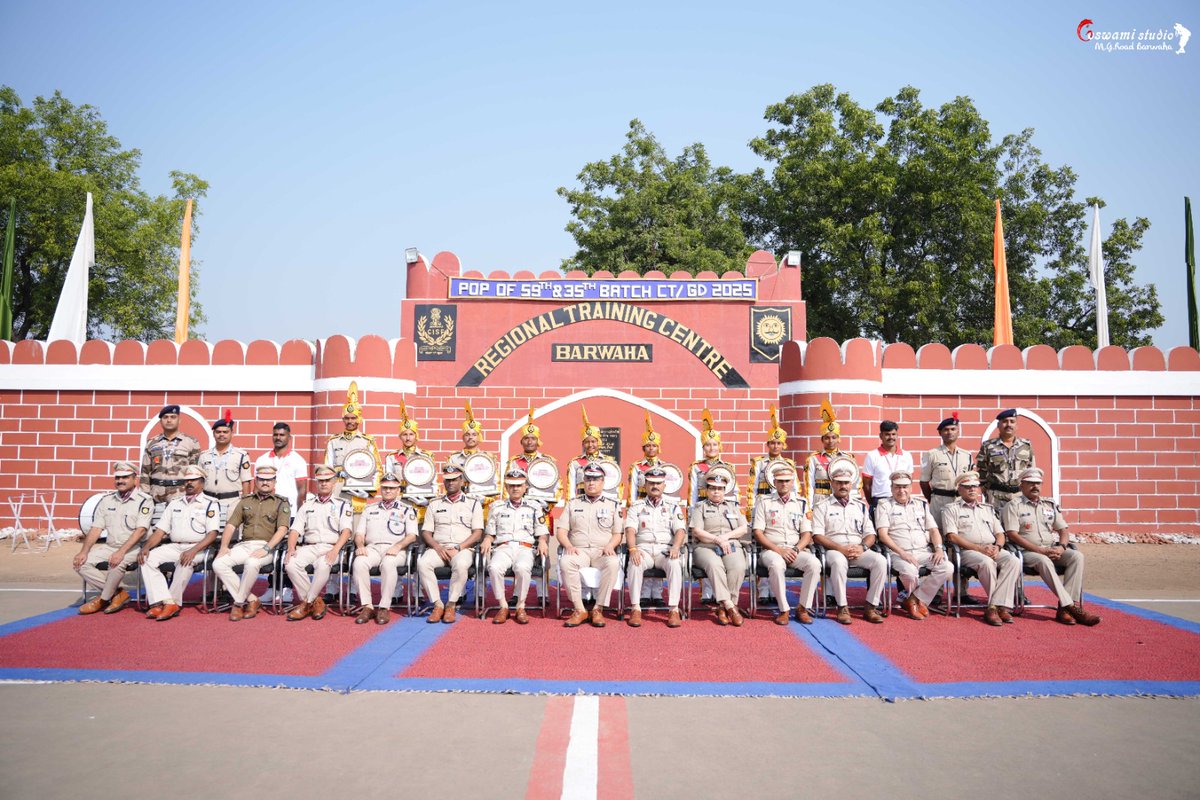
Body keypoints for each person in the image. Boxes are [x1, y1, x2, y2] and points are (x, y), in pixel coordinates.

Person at [1002, 468, 1100, 626]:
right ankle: (1072, 607)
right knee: (1043, 560)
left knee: (1076, 556)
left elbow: (1063, 529)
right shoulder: (1014, 506)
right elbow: (1012, 534)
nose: (1035, 486)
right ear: (1022, 486)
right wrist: (1040, 550)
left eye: (1038, 483)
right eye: (1030, 483)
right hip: (1027, 553)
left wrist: (1061, 547)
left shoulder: (1049, 504)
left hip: (1051, 548)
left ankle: (1064, 608)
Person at [138, 465, 220, 621]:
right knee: (147, 559)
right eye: (187, 481)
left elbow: (212, 534)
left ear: (202, 482)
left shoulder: (210, 504)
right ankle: (161, 602)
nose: (189, 483)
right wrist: (147, 547)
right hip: (175, 546)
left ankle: (172, 603)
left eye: (193, 480)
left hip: (198, 547)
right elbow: (160, 531)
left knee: (185, 561)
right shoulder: (175, 503)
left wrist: (193, 550)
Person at [212, 465, 292, 621]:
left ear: (275, 482)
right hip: (244, 545)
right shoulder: (246, 501)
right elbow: (231, 525)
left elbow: (282, 529)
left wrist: (266, 548)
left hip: (267, 547)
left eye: (269, 480)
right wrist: (223, 547)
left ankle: (238, 603)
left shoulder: (281, 503)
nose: (265, 483)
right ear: (256, 481)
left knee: (252, 563)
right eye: (262, 479)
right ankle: (252, 600)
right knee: (218, 563)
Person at [74, 462, 153, 615]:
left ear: (134, 479)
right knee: (80, 563)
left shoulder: (144, 501)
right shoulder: (107, 500)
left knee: (116, 564)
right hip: (110, 546)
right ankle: (117, 594)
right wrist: (83, 551)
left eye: (125, 477)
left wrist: (121, 552)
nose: (120, 481)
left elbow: (141, 530)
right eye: (117, 478)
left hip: (133, 547)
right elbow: (96, 528)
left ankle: (102, 599)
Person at [942, 471, 1019, 627]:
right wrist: (979, 548)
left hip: (992, 548)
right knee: (986, 562)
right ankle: (998, 606)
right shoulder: (951, 509)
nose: (972, 490)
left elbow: (1000, 533)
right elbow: (952, 536)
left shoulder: (988, 509)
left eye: (975, 487)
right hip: (967, 551)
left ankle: (995, 606)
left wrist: (998, 547)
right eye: (968, 487)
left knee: (1014, 560)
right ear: (960, 489)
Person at [812, 466, 887, 624]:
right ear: (832, 483)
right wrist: (840, 549)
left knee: (880, 561)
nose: (843, 486)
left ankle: (870, 606)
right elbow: (817, 535)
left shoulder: (860, 506)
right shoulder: (822, 506)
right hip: (834, 549)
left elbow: (870, 534)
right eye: (839, 482)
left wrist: (863, 547)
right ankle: (842, 607)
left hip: (857, 549)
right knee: (839, 562)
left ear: (851, 484)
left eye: (846, 482)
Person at [874, 470, 952, 620]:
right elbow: (883, 535)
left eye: (905, 487)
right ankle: (915, 601)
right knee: (910, 572)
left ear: (911, 488)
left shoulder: (921, 504)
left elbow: (934, 530)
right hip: (897, 553)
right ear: (891, 488)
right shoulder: (884, 505)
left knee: (947, 567)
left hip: (923, 551)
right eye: (897, 487)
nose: (901, 490)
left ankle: (914, 599)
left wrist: (939, 549)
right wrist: (902, 553)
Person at [751, 466, 820, 625]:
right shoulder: (764, 502)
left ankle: (803, 608)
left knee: (814, 564)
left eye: (787, 481)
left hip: (795, 549)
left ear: (792, 482)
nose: (783, 484)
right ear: (774, 482)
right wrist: (778, 550)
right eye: (780, 481)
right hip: (771, 550)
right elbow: (758, 532)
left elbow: (807, 534)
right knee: (776, 564)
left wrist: (796, 549)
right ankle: (784, 609)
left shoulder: (801, 503)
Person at [557, 464, 623, 628]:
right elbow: (562, 531)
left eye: (595, 479)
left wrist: (611, 545)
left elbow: (618, 534)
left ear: (603, 482)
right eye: (588, 479)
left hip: (602, 551)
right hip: (580, 551)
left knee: (613, 562)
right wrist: (568, 546)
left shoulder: (613, 505)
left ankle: (598, 608)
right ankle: (579, 609)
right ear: (583, 482)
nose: (591, 483)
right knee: (566, 562)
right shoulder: (573, 504)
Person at [285, 464, 354, 621]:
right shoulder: (307, 505)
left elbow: (346, 531)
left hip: (332, 547)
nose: (323, 483)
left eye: (327, 480)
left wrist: (335, 550)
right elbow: (295, 530)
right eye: (320, 480)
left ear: (334, 482)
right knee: (290, 563)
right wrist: (291, 547)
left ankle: (306, 603)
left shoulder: (343, 505)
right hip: (310, 546)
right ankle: (316, 602)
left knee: (323, 565)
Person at [481, 468, 549, 624]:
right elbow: (490, 532)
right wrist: (487, 539)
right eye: (512, 485)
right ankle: (503, 606)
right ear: (506, 488)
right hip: (503, 547)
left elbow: (542, 531)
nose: (515, 488)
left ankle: (520, 606)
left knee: (522, 568)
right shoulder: (496, 507)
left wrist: (543, 541)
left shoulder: (534, 507)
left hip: (525, 548)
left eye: (519, 485)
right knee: (494, 567)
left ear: (525, 487)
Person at [418, 464, 484, 623]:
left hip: (463, 548)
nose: (451, 483)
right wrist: (436, 546)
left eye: (454, 479)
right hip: (439, 548)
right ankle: (438, 604)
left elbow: (477, 533)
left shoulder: (473, 503)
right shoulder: (434, 504)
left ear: (462, 481)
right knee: (423, 563)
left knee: (461, 565)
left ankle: (451, 604)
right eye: (447, 480)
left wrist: (459, 547)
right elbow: (426, 532)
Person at [351, 472, 418, 625]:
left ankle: (383, 607)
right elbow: (359, 533)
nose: (388, 491)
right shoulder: (369, 509)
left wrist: (398, 546)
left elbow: (412, 535)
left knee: (388, 564)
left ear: (398, 491)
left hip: (396, 549)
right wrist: (360, 546)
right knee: (359, 563)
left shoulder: (407, 510)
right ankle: (367, 606)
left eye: (392, 488)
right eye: (385, 488)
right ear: (381, 489)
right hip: (373, 548)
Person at [624, 467, 686, 628]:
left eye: (658, 483)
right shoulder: (636, 506)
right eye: (651, 482)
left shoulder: (673, 507)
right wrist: (632, 549)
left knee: (674, 563)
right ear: (645, 484)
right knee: (635, 563)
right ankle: (636, 608)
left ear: (664, 485)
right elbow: (630, 530)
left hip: (664, 549)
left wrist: (676, 547)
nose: (655, 486)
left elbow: (680, 530)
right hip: (643, 549)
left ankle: (673, 609)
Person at [688, 473, 749, 626]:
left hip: (730, 543)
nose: (716, 492)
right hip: (706, 546)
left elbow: (743, 528)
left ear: (724, 490)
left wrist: (725, 538)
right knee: (715, 566)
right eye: (713, 488)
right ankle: (730, 606)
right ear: (707, 491)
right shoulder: (700, 507)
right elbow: (697, 531)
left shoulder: (733, 506)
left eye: (720, 489)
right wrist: (717, 539)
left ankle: (722, 607)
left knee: (738, 566)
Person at [324, 381, 382, 514]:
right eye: (347, 418)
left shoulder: (368, 441)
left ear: (359, 419)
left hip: (359, 488)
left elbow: (378, 470)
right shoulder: (333, 441)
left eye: (353, 418)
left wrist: (370, 489)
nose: (350, 421)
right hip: (337, 487)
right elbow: (327, 468)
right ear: (343, 419)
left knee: (356, 524)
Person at [140, 404, 201, 522]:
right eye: (165, 417)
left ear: (179, 420)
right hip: (156, 492)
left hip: (180, 492)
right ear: (161, 421)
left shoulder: (191, 442)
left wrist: (193, 494)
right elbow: (145, 472)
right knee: (154, 524)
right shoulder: (152, 443)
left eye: (173, 417)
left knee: (179, 524)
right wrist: (145, 495)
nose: (169, 420)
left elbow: (195, 472)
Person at [920, 412, 974, 533]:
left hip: (961, 501)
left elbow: (970, 481)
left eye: (953, 429)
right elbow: (924, 482)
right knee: (940, 533)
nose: (950, 432)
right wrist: (933, 499)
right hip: (940, 501)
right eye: (946, 430)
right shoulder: (932, 454)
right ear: (940, 433)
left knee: (963, 532)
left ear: (958, 431)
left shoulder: (967, 455)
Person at [382, 400, 436, 521]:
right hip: (400, 502)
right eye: (404, 434)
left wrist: (429, 501)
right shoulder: (391, 457)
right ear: (400, 436)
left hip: (421, 500)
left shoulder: (426, 456)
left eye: (411, 434)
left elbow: (434, 482)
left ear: (416, 436)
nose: (408, 438)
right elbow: (389, 481)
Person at [198, 410, 251, 527]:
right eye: (218, 432)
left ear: (232, 433)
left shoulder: (241, 455)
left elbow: (246, 482)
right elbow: (199, 480)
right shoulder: (204, 455)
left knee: (231, 535)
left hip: (232, 502)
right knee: (206, 531)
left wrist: (244, 504)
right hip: (208, 500)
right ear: (213, 434)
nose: (221, 434)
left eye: (225, 432)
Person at [803, 401, 860, 506]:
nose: (830, 441)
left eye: (834, 437)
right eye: (827, 438)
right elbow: (809, 485)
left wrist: (855, 504)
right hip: (820, 500)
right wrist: (809, 507)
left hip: (840, 499)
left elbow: (855, 482)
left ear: (838, 439)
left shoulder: (847, 458)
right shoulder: (813, 459)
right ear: (822, 439)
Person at [977, 409, 1035, 512]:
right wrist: (987, 492)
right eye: (1005, 421)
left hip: (1020, 496)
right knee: (998, 527)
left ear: (1016, 425)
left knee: (1020, 526)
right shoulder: (988, 446)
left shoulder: (1026, 446)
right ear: (998, 425)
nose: (1009, 425)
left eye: (1012, 422)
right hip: (996, 497)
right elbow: (981, 471)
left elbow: (1031, 471)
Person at [504, 408, 560, 512]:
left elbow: (558, 487)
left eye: (533, 438)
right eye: (526, 438)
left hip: (542, 510)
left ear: (538, 441)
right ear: (521, 441)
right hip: (518, 510)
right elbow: (506, 486)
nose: (529, 442)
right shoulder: (514, 462)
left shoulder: (548, 462)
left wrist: (547, 506)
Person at [748, 404, 798, 522]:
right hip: (761, 502)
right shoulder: (759, 462)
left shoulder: (788, 464)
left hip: (781, 502)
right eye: (772, 443)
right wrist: (751, 508)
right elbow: (752, 487)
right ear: (768, 444)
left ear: (783, 445)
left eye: (778, 443)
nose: (775, 446)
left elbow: (795, 487)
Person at [447, 402, 500, 507]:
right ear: (463, 437)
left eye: (474, 434)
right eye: (467, 434)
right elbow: (449, 483)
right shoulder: (454, 458)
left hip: (484, 503)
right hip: (460, 504)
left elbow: (496, 483)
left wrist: (486, 499)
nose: (470, 437)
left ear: (479, 437)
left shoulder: (488, 458)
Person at [567, 406, 621, 502]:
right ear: (583, 444)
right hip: (581, 502)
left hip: (603, 503)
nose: (590, 445)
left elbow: (615, 484)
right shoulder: (575, 463)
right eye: (587, 442)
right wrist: (570, 505)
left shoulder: (608, 461)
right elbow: (571, 488)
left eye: (593, 441)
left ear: (598, 442)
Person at [861, 421, 913, 517]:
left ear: (897, 435)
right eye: (887, 434)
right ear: (881, 436)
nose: (891, 437)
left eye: (893, 434)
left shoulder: (906, 455)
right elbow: (866, 484)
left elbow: (909, 481)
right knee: (880, 531)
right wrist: (873, 503)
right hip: (880, 500)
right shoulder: (872, 455)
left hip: (901, 500)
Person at [255, 422, 307, 516]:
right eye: (275, 435)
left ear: (289, 438)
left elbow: (302, 492)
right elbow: (256, 488)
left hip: (290, 512)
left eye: (282, 435)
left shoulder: (298, 460)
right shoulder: (262, 459)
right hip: (265, 512)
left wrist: (300, 515)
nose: (278, 438)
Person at [688, 409, 738, 506]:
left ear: (719, 446)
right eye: (708, 445)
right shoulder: (696, 467)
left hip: (723, 507)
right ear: (703, 448)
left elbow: (735, 492)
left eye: (714, 445)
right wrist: (691, 513)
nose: (711, 448)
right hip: (702, 507)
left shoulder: (728, 467)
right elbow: (692, 493)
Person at [627, 412, 667, 505]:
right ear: (643, 448)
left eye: (654, 445)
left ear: (658, 448)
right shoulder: (636, 467)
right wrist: (632, 507)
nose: (651, 448)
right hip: (641, 505)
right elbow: (632, 490)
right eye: (648, 445)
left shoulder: (664, 466)